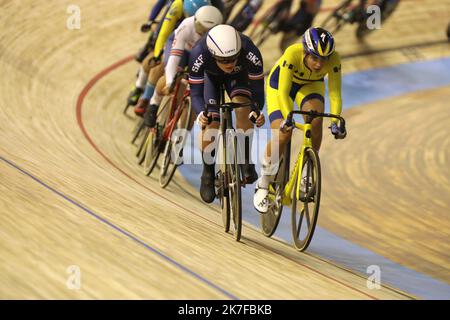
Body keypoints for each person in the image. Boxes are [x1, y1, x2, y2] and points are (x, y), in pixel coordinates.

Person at [253, 27, 346, 213]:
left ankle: (307, 169)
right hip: (279, 85)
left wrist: (336, 122)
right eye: (314, 58)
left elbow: (335, 94)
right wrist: (287, 118)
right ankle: (263, 181)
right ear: (305, 51)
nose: (319, 64)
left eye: (324, 59)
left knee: (317, 119)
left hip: (310, 85)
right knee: (283, 132)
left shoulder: (335, 59)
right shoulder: (292, 53)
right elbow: (283, 91)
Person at [188, 24, 266, 203]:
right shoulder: (199, 53)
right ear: (213, 55)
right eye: (224, 60)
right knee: (211, 123)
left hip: (238, 78)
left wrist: (255, 110)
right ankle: (207, 173)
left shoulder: (250, 51)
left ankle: (245, 159)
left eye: (233, 58)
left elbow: (258, 91)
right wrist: (201, 114)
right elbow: (196, 93)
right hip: (210, 80)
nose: (230, 64)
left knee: (243, 107)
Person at [141, 5, 224, 128]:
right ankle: (154, 104)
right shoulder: (187, 26)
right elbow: (173, 60)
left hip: (199, 55)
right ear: (195, 21)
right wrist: (170, 82)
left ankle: (180, 132)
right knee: (171, 74)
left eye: (207, 30)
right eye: (200, 28)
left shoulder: (220, 37)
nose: (202, 32)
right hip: (182, 48)